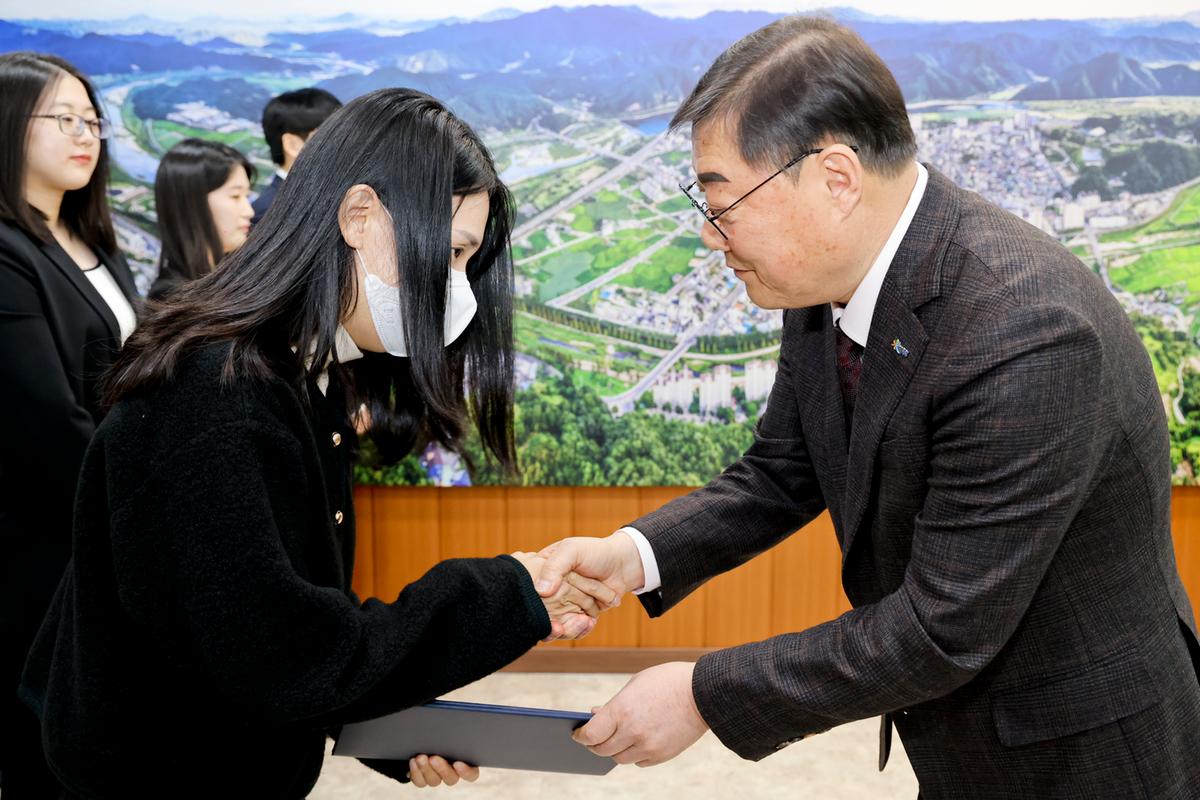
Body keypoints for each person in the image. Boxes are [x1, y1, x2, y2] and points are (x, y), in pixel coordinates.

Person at [535, 16, 1200, 799]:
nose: (712, 237)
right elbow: (783, 470)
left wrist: (701, 693)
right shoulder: (823, 276)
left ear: (836, 179)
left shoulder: (1026, 333)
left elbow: (937, 627)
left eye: (722, 201)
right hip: (961, 738)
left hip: (1081, 753)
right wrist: (630, 557)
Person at [19, 87, 614, 798]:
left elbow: (269, 629)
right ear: (359, 217)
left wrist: (385, 728)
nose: (459, 292)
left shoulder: (306, 375)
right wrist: (508, 590)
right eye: (450, 254)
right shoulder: (215, 395)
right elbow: (284, 654)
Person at [0, 51, 140, 799]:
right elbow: (45, 418)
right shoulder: (6, 249)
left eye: (93, 120)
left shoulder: (93, 240)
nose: (86, 134)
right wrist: (146, 503)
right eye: (64, 118)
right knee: (45, 750)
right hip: (44, 544)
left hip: (100, 531)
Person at [147, 138, 255, 301]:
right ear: (193, 203)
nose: (249, 211)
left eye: (246, 196)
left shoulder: (224, 280)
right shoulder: (172, 300)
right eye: (235, 196)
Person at [252, 87, 342, 225]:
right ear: (293, 145)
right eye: (332, 135)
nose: (343, 142)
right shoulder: (267, 213)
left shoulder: (336, 193)